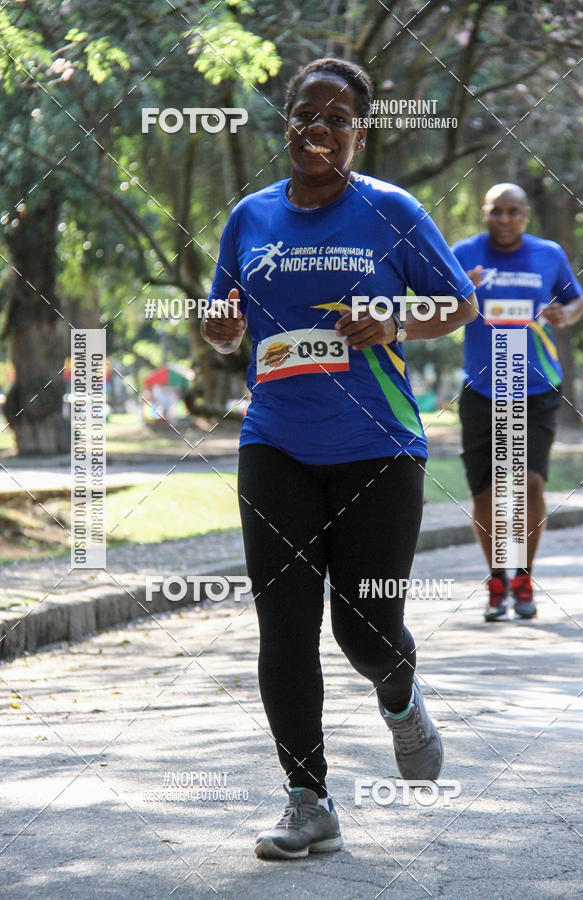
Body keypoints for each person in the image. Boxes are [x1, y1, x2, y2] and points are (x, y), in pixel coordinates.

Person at [203, 57, 476, 860]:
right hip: (275, 439)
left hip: (379, 447)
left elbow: (459, 302)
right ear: (286, 123)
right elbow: (225, 321)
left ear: (360, 132)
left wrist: (394, 319)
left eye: (333, 117)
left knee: (366, 629)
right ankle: (307, 798)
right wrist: (219, 327)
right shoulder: (250, 216)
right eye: (301, 114)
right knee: (284, 626)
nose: (314, 128)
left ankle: (399, 695)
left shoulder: (391, 210)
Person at [452, 184, 583, 622]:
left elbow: (576, 298)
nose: (505, 220)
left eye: (514, 212)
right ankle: (496, 580)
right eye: (496, 211)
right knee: (488, 492)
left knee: (528, 483)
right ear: (485, 213)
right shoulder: (463, 252)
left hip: (536, 387)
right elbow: (435, 305)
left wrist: (569, 313)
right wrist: (457, 293)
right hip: (481, 390)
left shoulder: (548, 254)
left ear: (526, 215)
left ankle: (523, 575)